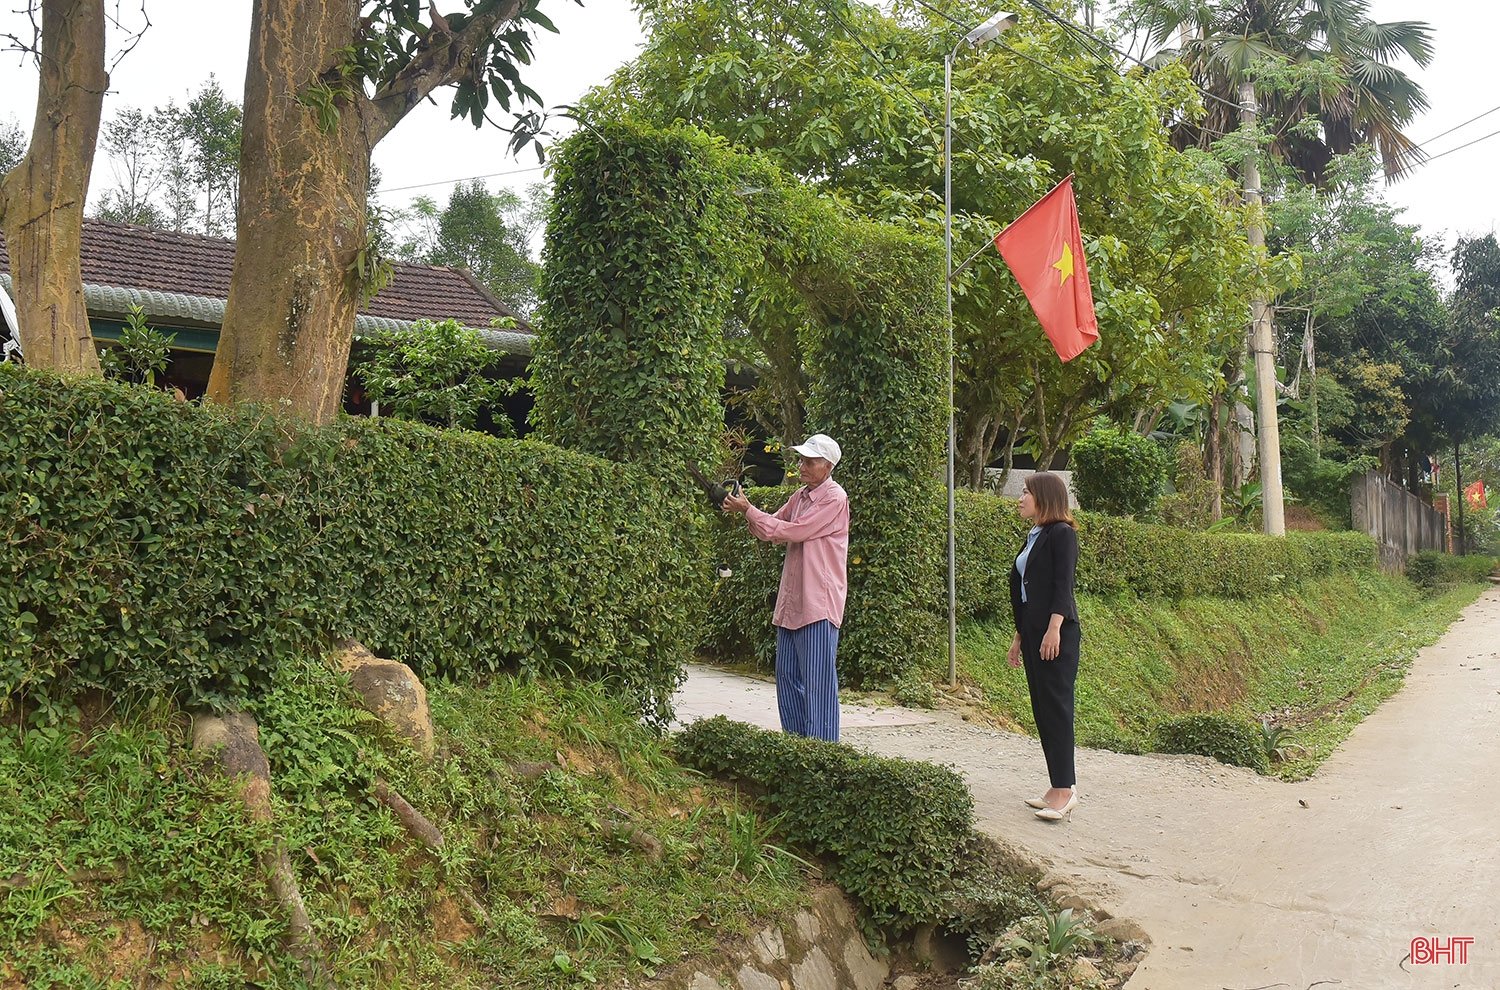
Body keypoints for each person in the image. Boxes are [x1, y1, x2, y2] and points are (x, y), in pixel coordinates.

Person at [722, 434, 849, 741]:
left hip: (818, 604)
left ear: (828, 465)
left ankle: (823, 752)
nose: (802, 466)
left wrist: (749, 510)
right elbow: (772, 530)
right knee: (787, 678)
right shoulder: (801, 496)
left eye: (809, 461)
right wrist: (745, 510)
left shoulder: (835, 498)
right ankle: (794, 747)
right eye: (801, 459)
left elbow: (795, 531)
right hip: (792, 604)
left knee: (818, 683)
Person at [1007, 471, 1081, 821]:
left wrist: (1055, 629)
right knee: (1042, 708)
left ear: (1044, 497)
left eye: (1026, 492)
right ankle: (1055, 786)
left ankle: (1066, 791)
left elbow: (1062, 587)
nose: (1020, 498)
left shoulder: (1062, 534)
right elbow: (1025, 592)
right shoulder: (1035, 535)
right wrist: (1020, 636)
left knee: (1057, 708)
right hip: (1035, 632)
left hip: (1057, 633)